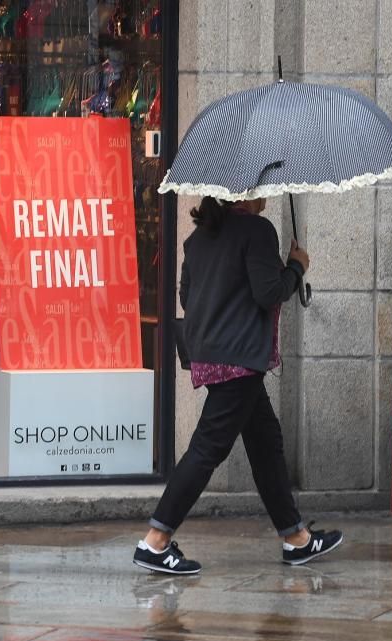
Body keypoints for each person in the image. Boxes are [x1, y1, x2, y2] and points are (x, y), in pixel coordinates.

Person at [132, 197, 344, 575]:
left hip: (213, 356)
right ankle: (155, 541)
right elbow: (268, 293)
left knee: (265, 442)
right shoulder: (257, 231)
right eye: (258, 188)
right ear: (243, 193)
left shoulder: (199, 238)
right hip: (241, 359)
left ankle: (296, 538)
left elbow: (186, 296)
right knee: (207, 448)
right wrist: (296, 267)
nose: (265, 195)